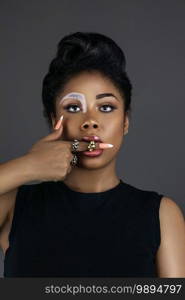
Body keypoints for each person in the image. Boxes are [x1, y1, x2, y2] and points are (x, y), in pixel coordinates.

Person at [0, 32, 185, 277]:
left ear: (125, 122)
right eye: (74, 108)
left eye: (106, 107)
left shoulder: (161, 214)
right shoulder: (14, 206)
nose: (91, 122)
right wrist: (27, 166)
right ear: (56, 120)